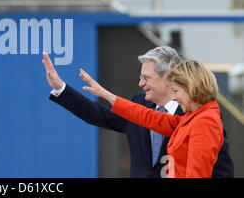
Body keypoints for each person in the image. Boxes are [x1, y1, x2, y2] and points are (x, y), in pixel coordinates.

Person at [42, 46, 233, 177]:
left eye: (146, 78)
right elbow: (145, 117)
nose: (141, 83)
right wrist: (105, 95)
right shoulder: (189, 117)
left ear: (171, 80)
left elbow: (210, 172)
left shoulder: (204, 120)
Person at [79, 59, 227, 178]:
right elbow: (149, 117)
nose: (174, 98)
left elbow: (197, 174)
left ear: (191, 88)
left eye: (176, 91)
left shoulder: (205, 121)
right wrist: (107, 95)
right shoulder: (193, 117)